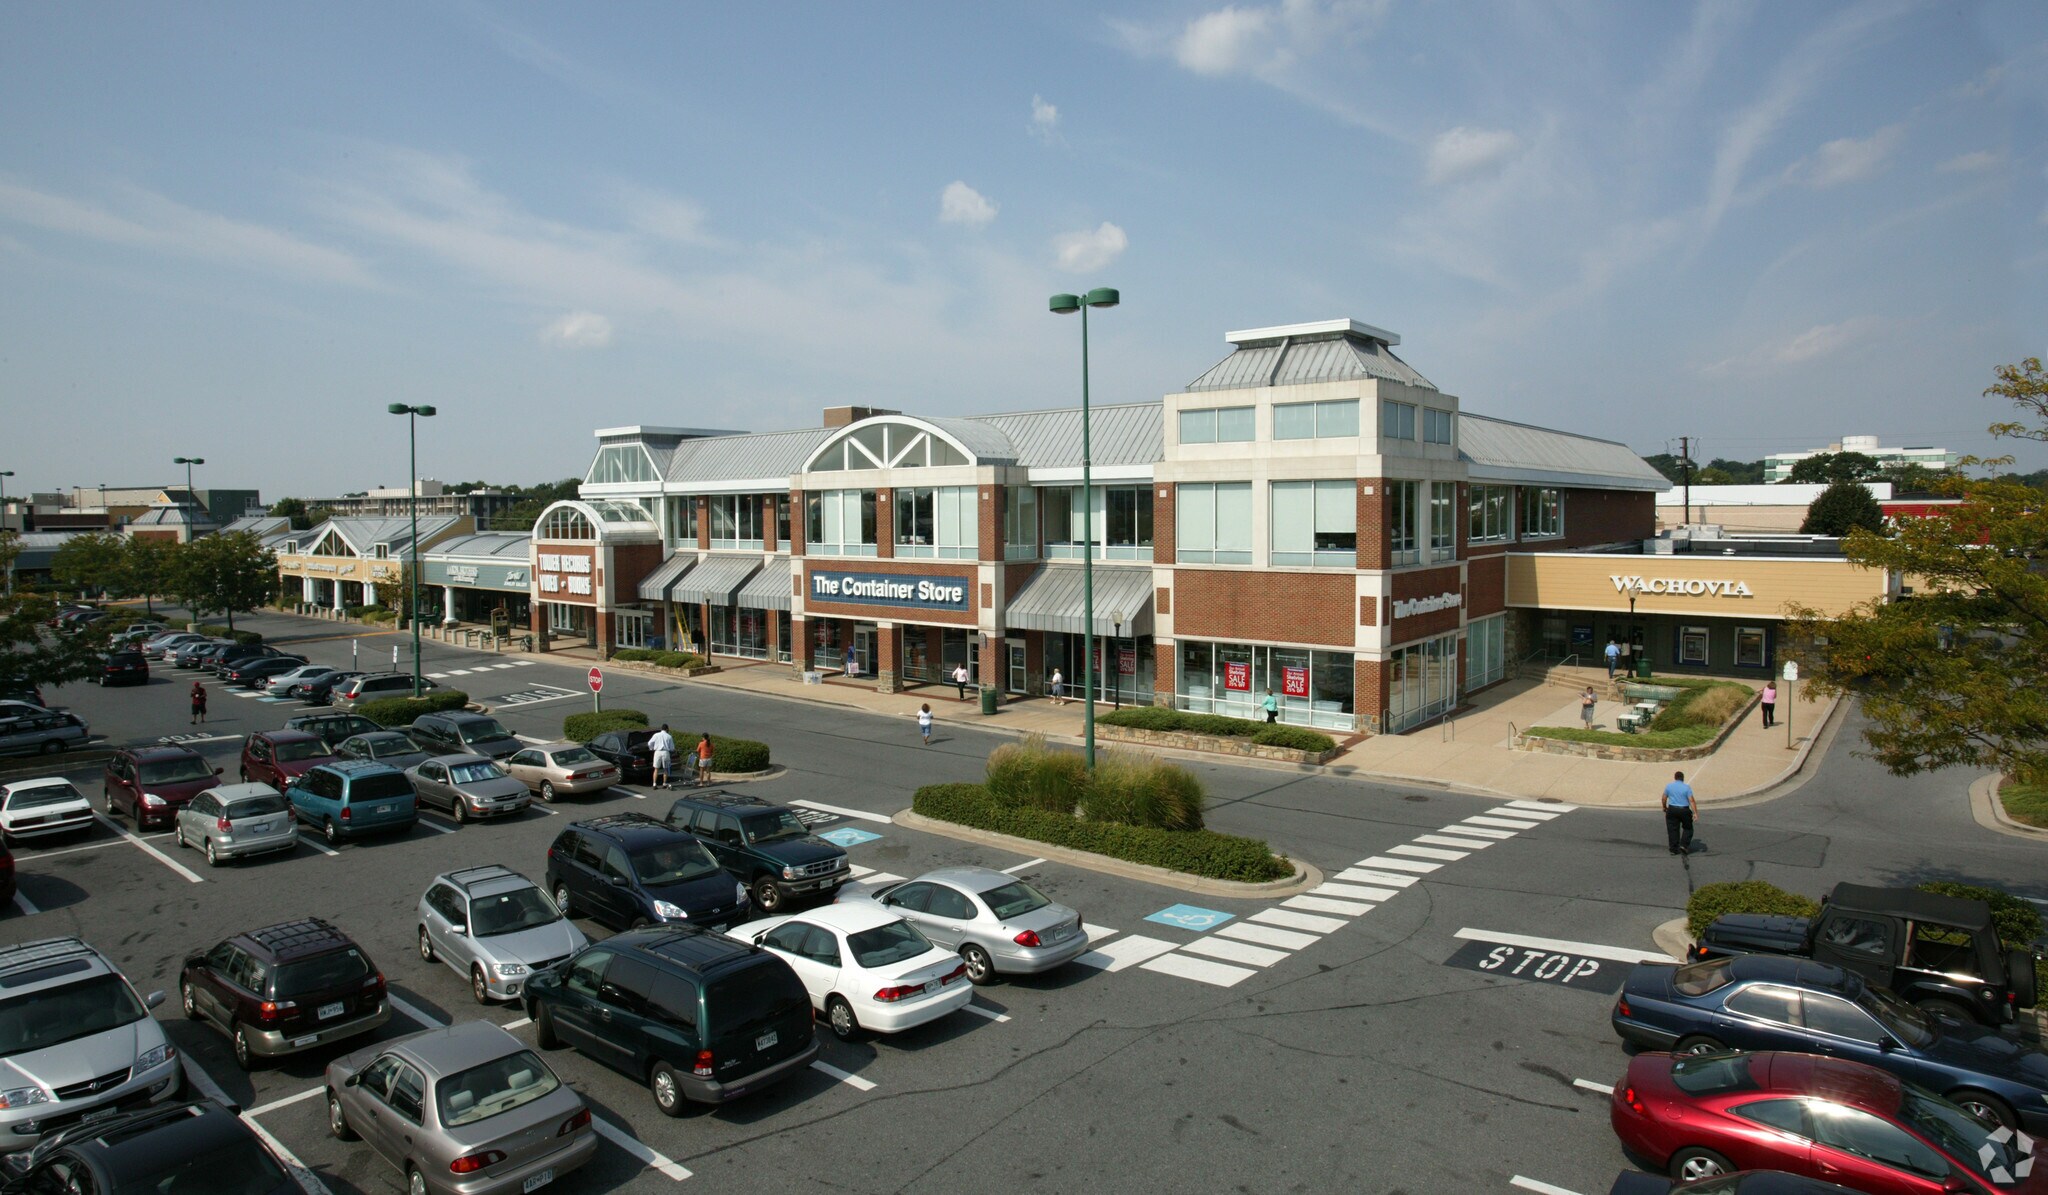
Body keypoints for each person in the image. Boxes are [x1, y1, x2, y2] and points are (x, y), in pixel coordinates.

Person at [1662, 770, 1696, 855]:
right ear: (1683, 779)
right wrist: (1695, 812)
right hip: (1684, 810)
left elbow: (1664, 798)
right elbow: (1691, 800)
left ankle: (1673, 848)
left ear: (1675, 778)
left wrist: (1664, 807)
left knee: (1673, 829)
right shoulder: (1686, 787)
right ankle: (1684, 845)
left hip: (1672, 809)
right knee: (1688, 828)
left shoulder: (1669, 786)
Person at [647, 723, 676, 790]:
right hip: (665, 752)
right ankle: (664, 784)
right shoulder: (669, 736)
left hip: (657, 752)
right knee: (665, 769)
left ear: (661, 728)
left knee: (656, 769)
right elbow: (672, 748)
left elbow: (649, 743)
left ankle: (654, 784)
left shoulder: (656, 735)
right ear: (667, 729)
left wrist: (651, 748)